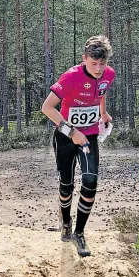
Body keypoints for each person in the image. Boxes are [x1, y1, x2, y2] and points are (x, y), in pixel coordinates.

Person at [41, 35, 115, 257]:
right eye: (93, 63)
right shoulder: (71, 77)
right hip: (65, 135)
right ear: (84, 59)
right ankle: (65, 222)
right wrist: (72, 132)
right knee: (66, 186)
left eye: (102, 63)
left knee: (90, 182)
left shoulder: (108, 75)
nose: (98, 68)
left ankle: (79, 233)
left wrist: (102, 113)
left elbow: (100, 91)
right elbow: (47, 108)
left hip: (90, 135)